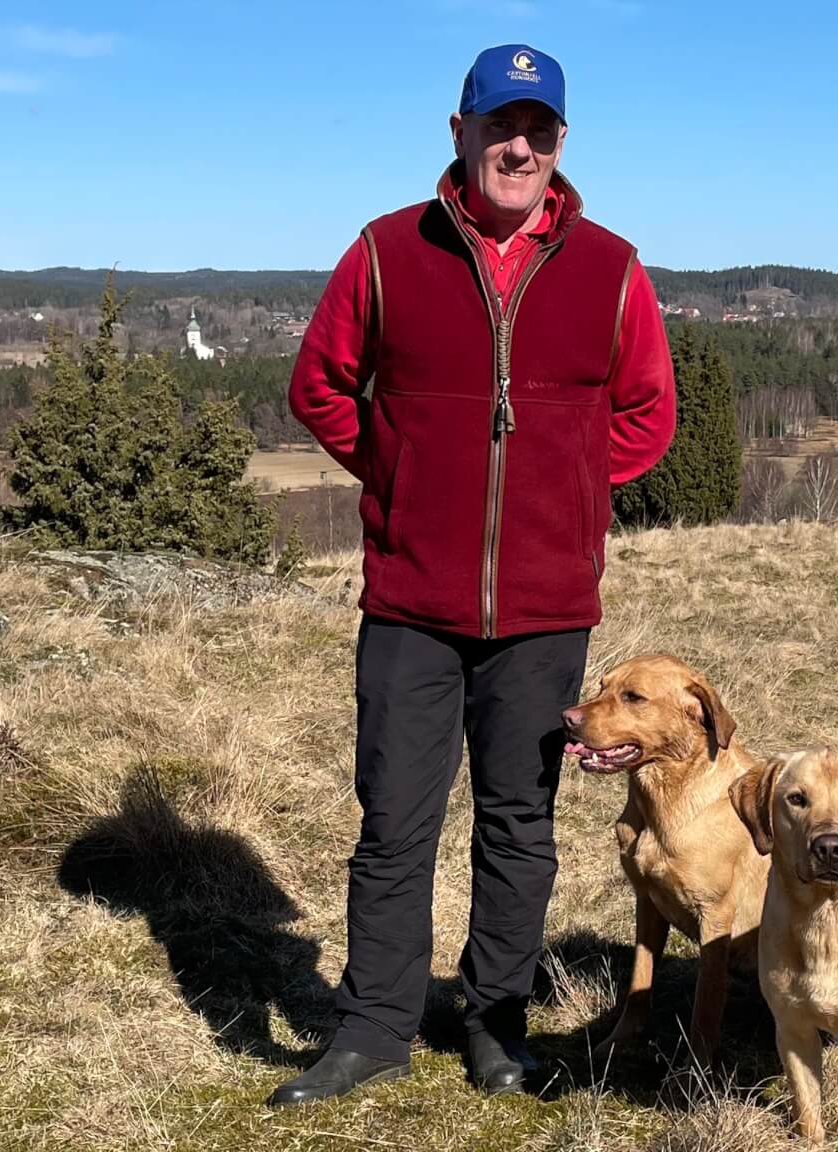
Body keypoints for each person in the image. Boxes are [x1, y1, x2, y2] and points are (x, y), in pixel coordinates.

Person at [271, 42, 676, 1106]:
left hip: (545, 610)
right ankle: (372, 1029)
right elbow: (319, 387)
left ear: (560, 144)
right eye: (500, 126)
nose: (518, 147)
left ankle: (496, 1026)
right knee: (393, 824)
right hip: (412, 603)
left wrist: (568, 488)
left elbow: (647, 413)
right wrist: (401, 475)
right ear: (459, 133)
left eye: (538, 130)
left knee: (518, 825)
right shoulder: (384, 250)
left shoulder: (611, 267)